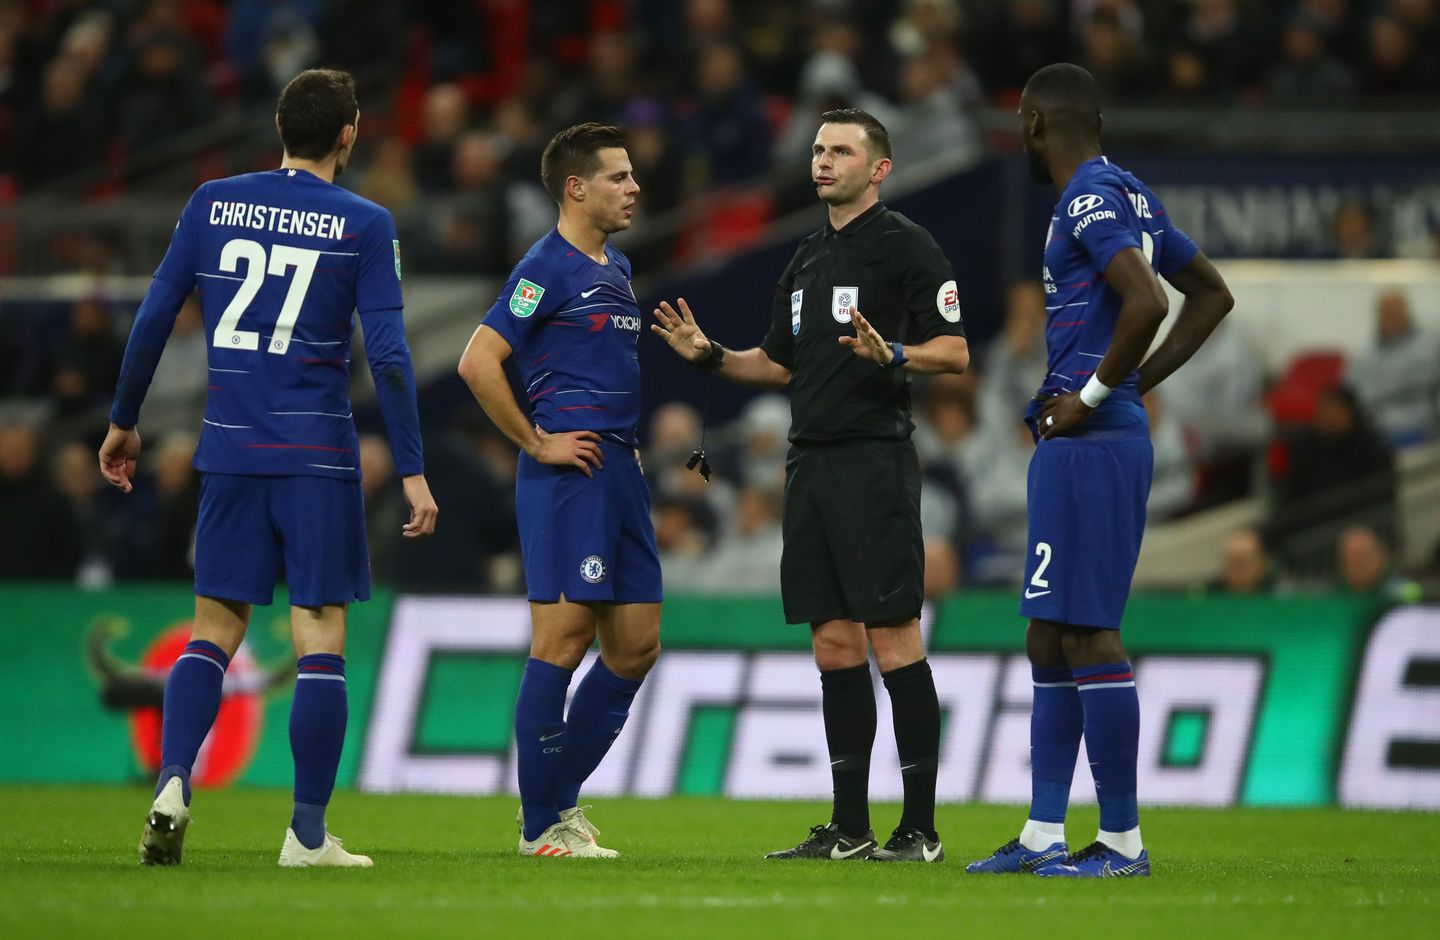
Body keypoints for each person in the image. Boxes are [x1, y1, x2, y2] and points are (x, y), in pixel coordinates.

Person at [99, 68, 438, 869]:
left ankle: (173, 781)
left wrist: (123, 422)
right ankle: (307, 835)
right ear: (349, 135)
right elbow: (389, 357)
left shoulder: (212, 202)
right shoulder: (365, 221)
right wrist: (415, 469)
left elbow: (153, 317)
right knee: (319, 635)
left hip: (228, 450)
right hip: (316, 456)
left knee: (213, 630)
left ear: (280, 127)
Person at [651, 108, 970, 862]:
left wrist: (893, 352)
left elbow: (954, 351)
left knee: (893, 636)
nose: (822, 162)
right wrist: (709, 356)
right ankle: (851, 828)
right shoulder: (804, 257)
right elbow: (777, 362)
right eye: (819, 150)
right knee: (832, 642)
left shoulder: (907, 247)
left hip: (874, 460)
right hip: (809, 464)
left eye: (841, 151)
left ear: (879, 168)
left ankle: (919, 829)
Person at [965, 63, 1233, 878]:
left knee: (1088, 633)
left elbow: (1152, 300)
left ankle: (1121, 841)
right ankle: (1046, 830)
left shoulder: (1087, 197)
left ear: (1035, 121)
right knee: (1049, 633)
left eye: (1020, 119)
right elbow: (1211, 295)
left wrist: (1094, 394)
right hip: (1083, 436)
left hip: (1090, 440)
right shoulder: (1129, 192)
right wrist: (1128, 389)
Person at [457, 123, 658, 860]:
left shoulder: (619, 265)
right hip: (569, 473)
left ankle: (551, 799)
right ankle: (542, 825)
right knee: (564, 640)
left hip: (620, 470)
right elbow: (478, 361)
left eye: (632, 174)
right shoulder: (546, 266)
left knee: (636, 645)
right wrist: (537, 441)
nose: (634, 186)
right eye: (617, 176)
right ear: (576, 188)